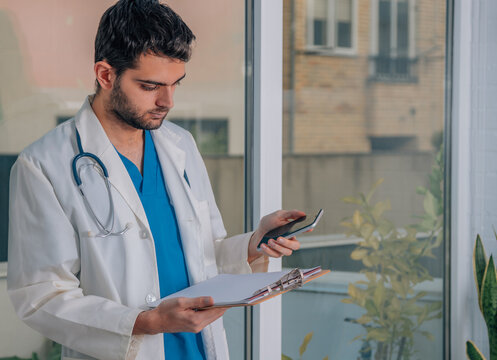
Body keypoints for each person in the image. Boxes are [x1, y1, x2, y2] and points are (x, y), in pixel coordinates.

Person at [6, 1, 303, 359]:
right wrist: (145, 322)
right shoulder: (44, 165)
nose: (168, 101)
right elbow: (40, 296)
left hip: (200, 349)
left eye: (176, 84)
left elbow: (203, 253)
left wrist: (254, 244)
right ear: (105, 75)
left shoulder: (180, 145)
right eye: (150, 86)